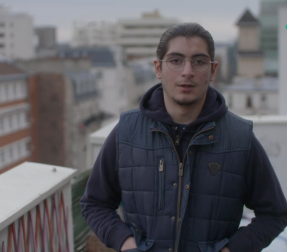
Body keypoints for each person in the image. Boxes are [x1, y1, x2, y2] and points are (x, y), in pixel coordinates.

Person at [80, 23, 287, 252]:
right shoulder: (127, 132)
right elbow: (94, 203)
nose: (187, 71)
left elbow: (275, 213)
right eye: (176, 60)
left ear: (213, 70)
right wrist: (126, 244)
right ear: (158, 68)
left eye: (198, 61)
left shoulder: (239, 137)